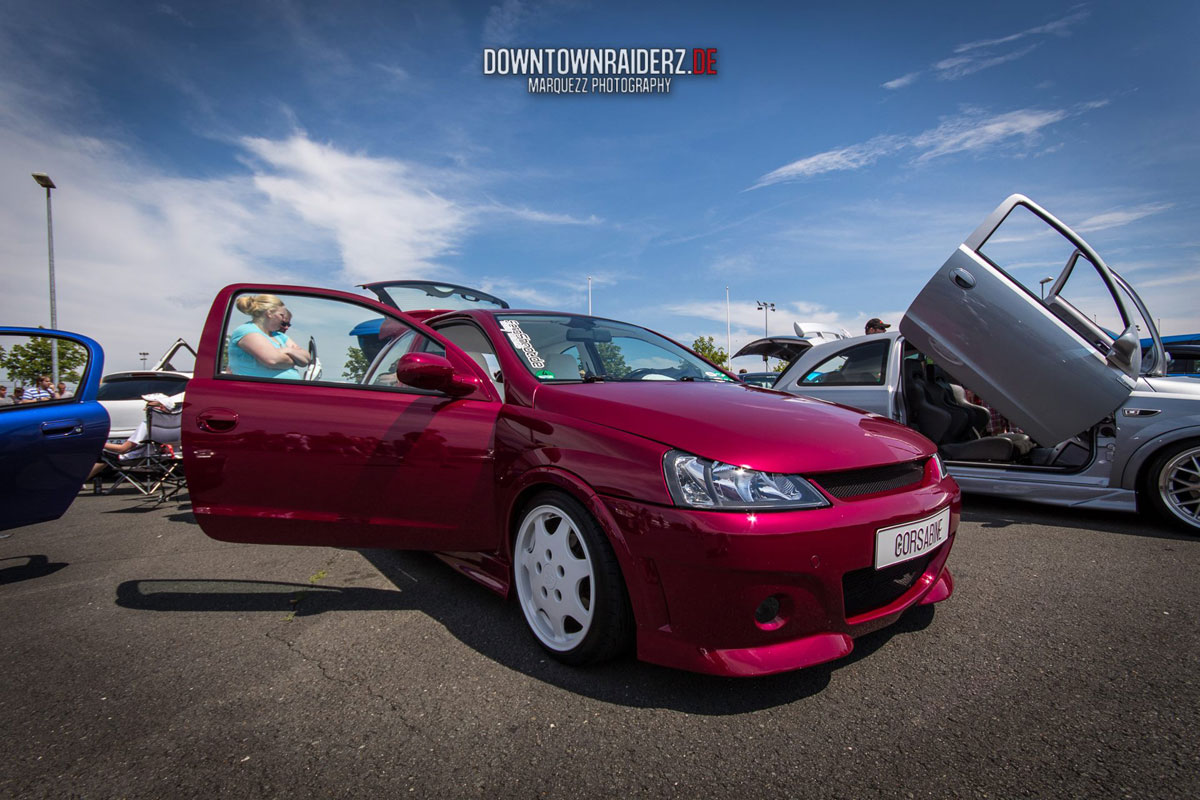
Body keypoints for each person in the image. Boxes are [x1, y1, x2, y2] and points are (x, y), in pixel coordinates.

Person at [87, 393, 182, 480]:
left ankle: (79, 482)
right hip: (165, 457)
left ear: (161, 408)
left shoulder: (148, 425)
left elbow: (122, 449)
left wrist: (98, 443)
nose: (144, 409)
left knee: (99, 454)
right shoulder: (177, 424)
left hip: (137, 458)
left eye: (148, 406)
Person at [228, 294, 311, 379]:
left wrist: (287, 350)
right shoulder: (247, 330)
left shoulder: (279, 336)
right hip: (260, 389)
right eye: (281, 315)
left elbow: (306, 359)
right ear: (269, 313)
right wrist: (295, 359)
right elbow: (273, 360)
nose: (283, 319)